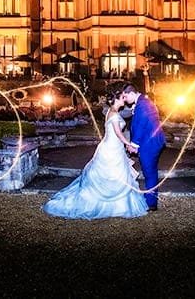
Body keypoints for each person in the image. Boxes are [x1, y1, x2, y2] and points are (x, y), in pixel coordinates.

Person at [43, 87, 148, 219]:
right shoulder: (114, 114)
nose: (125, 99)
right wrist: (129, 144)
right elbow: (118, 133)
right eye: (123, 97)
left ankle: (116, 204)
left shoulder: (112, 111)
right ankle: (110, 203)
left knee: (114, 174)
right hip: (111, 148)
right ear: (117, 98)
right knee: (111, 173)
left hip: (113, 147)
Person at [121, 82, 167, 212]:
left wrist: (134, 145)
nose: (125, 100)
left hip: (150, 143)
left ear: (131, 93)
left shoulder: (142, 104)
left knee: (150, 172)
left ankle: (151, 203)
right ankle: (150, 199)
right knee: (150, 171)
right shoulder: (142, 101)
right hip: (152, 141)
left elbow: (140, 125)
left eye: (125, 96)